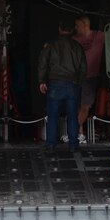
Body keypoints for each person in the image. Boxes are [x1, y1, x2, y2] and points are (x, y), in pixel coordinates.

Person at [38, 19, 87, 152]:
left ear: (60, 29)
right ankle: (73, 145)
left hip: (54, 84)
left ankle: (50, 144)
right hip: (72, 85)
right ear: (72, 30)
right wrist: (78, 81)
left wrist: (42, 81)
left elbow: (43, 64)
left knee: (52, 116)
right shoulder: (77, 47)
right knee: (72, 116)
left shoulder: (51, 46)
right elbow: (83, 67)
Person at [71, 14, 105, 144]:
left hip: (91, 77)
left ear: (85, 25)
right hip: (76, 77)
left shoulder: (99, 36)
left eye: (77, 25)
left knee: (85, 106)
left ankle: (73, 131)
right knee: (76, 106)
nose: (75, 28)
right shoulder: (74, 39)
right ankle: (79, 133)